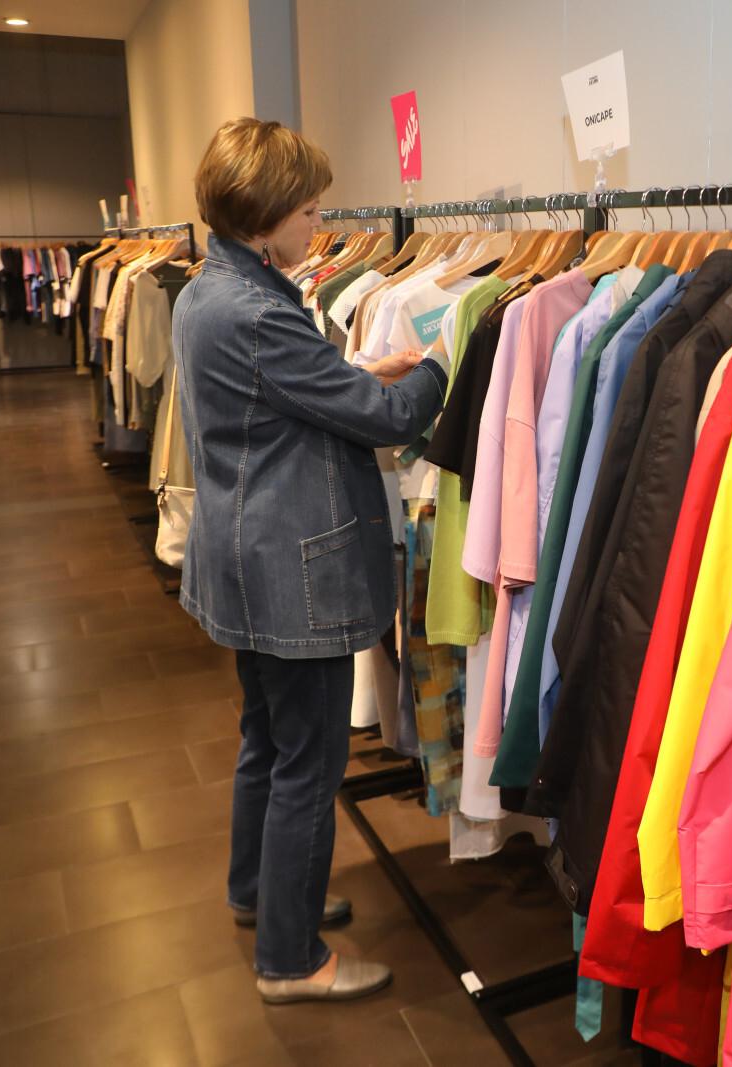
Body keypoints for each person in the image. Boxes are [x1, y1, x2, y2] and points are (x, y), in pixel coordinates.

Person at [174, 117, 447, 1003]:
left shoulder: (210, 291)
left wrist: (367, 370)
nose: (319, 222)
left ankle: (261, 894)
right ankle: (291, 959)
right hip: (293, 573)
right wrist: (442, 364)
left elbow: (287, 401)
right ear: (265, 216)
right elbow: (388, 420)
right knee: (309, 764)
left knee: (268, 740)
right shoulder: (258, 311)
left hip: (246, 558)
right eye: (308, 209)